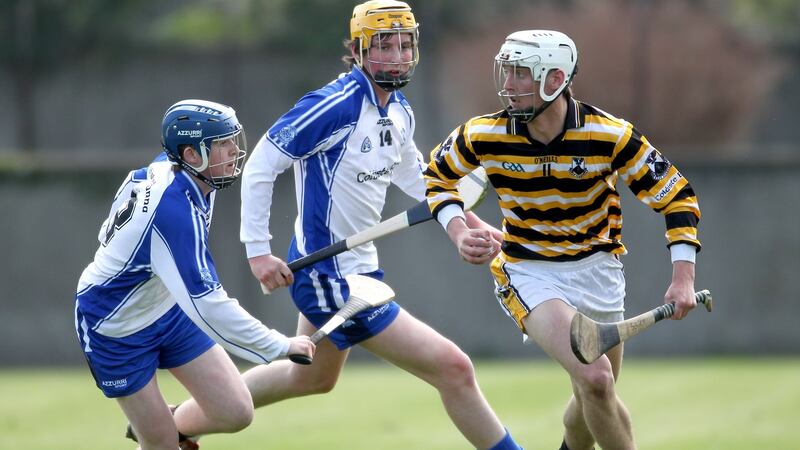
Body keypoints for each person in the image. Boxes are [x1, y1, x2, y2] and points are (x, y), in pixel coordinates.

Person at [171, 2, 523, 449]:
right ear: (357, 50)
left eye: (404, 44)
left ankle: (177, 423)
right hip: (328, 276)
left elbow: (421, 179)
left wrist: (465, 224)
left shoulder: (398, 111)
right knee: (454, 368)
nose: (397, 55)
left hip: (357, 269)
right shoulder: (333, 106)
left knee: (312, 378)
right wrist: (257, 252)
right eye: (384, 45)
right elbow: (261, 163)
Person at [424, 30, 702, 450]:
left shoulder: (610, 135)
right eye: (507, 71)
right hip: (528, 271)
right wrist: (460, 230)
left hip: (600, 272)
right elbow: (437, 177)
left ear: (555, 80)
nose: (508, 84)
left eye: (521, 73)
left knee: (590, 399)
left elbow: (676, 195)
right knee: (595, 377)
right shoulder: (483, 134)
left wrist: (683, 277)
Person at [74, 99, 314, 450]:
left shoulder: (195, 180)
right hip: (115, 326)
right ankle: (159, 434)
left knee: (235, 411)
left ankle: (170, 424)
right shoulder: (172, 209)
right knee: (160, 446)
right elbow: (209, 307)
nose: (234, 151)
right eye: (222, 145)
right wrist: (280, 345)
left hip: (166, 309)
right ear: (190, 154)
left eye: (234, 140)